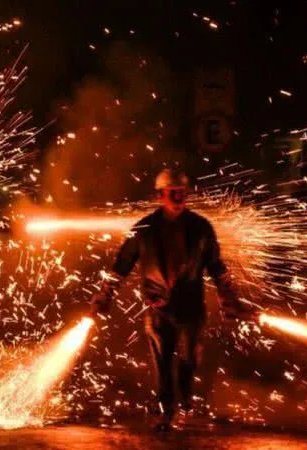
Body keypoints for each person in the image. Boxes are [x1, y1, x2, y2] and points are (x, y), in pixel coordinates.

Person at [91, 169, 253, 431]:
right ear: (160, 195)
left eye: (182, 193)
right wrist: (104, 294)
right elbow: (122, 264)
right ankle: (166, 411)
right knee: (163, 362)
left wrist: (229, 297)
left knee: (188, 360)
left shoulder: (200, 228)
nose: (178, 199)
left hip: (191, 307)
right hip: (159, 308)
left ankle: (185, 401)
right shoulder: (144, 229)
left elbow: (216, 266)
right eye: (173, 193)